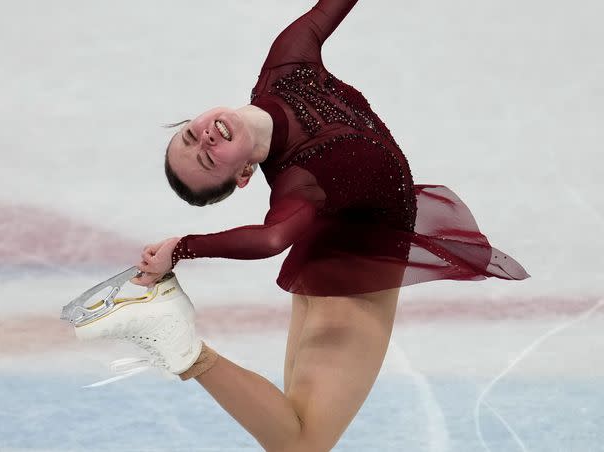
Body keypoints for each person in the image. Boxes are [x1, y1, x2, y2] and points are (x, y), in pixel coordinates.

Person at [90, 1, 529, 450]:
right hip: (354, 287)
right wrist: (182, 247)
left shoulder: (286, 64)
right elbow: (272, 237)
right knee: (302, 444)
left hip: (338, 253)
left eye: (189, 135)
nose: (204, 138)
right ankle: (183, 348)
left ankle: (184, 348)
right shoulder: (300, 181)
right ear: (243, 176)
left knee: (296, 432)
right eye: (206, 159)